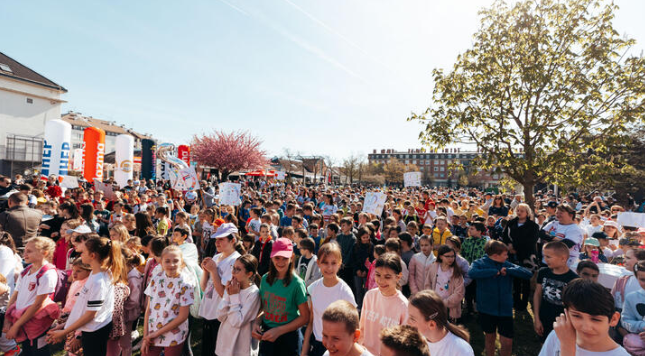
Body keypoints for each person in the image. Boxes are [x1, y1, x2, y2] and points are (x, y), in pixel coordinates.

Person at [47, 237, 126, 356]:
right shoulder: (98, 274)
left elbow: (91, 314)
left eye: (83, 252)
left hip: (94, 331)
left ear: (92, 255)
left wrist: (65, 332)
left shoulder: (98, 280)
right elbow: (82, 308)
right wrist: (64, 326)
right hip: (92, 328)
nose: (80, 254)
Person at [468, 240, 532, 356]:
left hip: (505, 310)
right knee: (490, 337)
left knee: (507, 342)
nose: (507, 256)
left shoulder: (507, 264)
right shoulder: (479, 263)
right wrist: (493, 272)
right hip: (486, 308)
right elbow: (472, 273)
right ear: (495, 256)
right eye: (505, 254)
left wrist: (509, 270)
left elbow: (527, 274)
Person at [538, 279, 628, 356]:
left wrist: (567, 348)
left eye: (596, 319)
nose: (586, 327)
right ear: (566, 313)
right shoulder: (559, 335)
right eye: (576, 316)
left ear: (613, 319)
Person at [252, 237, 309, 356]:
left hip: (288, 337)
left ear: (292, 257)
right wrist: (257, 322)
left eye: (285, 258)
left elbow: (304, 317)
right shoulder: (265, 279)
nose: (281, 262)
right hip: (268, 334)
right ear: (271, 257)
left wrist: (279, 331)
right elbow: (263, 308)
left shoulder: (297, 284)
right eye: (277, 258)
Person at [3, 237, 58, 356]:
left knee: (39, 352)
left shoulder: (48, 274)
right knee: (27, 350)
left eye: (29, 251)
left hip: (36, 324)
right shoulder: (26, 270)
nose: (24, 254)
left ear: (44, 253)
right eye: (25, 250)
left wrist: (16, 326)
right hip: (23, 320)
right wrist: (8, 319)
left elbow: (38, 304)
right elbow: (15, 296)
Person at [302, 242, 356, 356]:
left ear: (340, 263)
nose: (329, 267)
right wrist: (304, 352)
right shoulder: (313, 288)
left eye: (333, 263)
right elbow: (311, 322)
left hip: (337, 348)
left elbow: (354, 328)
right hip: (316, 345)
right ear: (318, 263)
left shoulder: (345, 292)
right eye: (325, 263)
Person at [141, 245, 195, 356]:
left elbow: (182, 316)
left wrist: (156, 334)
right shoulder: (156, 279)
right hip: (152, 332)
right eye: (167, 261)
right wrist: (145, 337)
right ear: (161, 262)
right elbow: (149, 309)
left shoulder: (186, 283)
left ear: (182, 262)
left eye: (175, 261)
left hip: (174, 333)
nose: (171, 264)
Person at [199, 223, 241, 356]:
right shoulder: (217, 257)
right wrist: (206, 271)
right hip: (209, 311)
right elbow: (205, 288)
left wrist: (213, 271)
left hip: (220, 316)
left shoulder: (236, 261)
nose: (217, 242)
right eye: (216, 239)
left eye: (221, 239)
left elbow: (225, 293)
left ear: (232, 240)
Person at [359, 253, 408, 355]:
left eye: (387, 277)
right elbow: (362, 328)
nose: (381, 281)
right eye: (378, 275)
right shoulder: (369, 296)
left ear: (398, 277)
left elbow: (404, 343)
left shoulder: (404, 306)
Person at [215, 254, 262, 356]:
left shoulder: (253, 293)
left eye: (238, 269)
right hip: (224, 344)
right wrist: (228, 295)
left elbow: (237, 322)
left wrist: (234, 296)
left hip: (241, 348)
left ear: (249, 274)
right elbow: (220, 316)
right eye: (233, 268)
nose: (233, 272)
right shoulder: (233, 287)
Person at [533, 241, 580, 341]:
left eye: (548, 257)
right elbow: (537, 294)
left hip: (563, 323)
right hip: (544, 318)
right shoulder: (543, 272)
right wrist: (536, 318)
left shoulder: (574, 279)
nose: (545, 260)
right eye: (544, 256)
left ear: (563, 258)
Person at [407, 290, 474, 356]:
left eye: (412, 319)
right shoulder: (415, 344)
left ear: (432, 324)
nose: (407, 322)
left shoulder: (460, 350)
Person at [502, 203, 539, 311]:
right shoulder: (511, 223)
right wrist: (509, 245)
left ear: (527, 212)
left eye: (522, 210)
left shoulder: (533, 226)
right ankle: (516, 300)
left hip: (527, 255)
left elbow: (531, 241)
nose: (519, 212)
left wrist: (515, 247)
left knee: (526, 279)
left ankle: (524, 302)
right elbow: (505, 236)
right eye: (518, 210)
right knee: (516, 279)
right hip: (513, 255)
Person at [423, 245, 464, 322]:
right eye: (447, 256)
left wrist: (444, 303)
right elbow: (427, 284)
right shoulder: (434, 267)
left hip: (449, 308)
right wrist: (431, 298)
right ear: (441, 256)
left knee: (448, 330)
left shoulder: (456, 272)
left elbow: (459, 293)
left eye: (453, 256)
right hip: (435, 305)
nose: (451, 259)